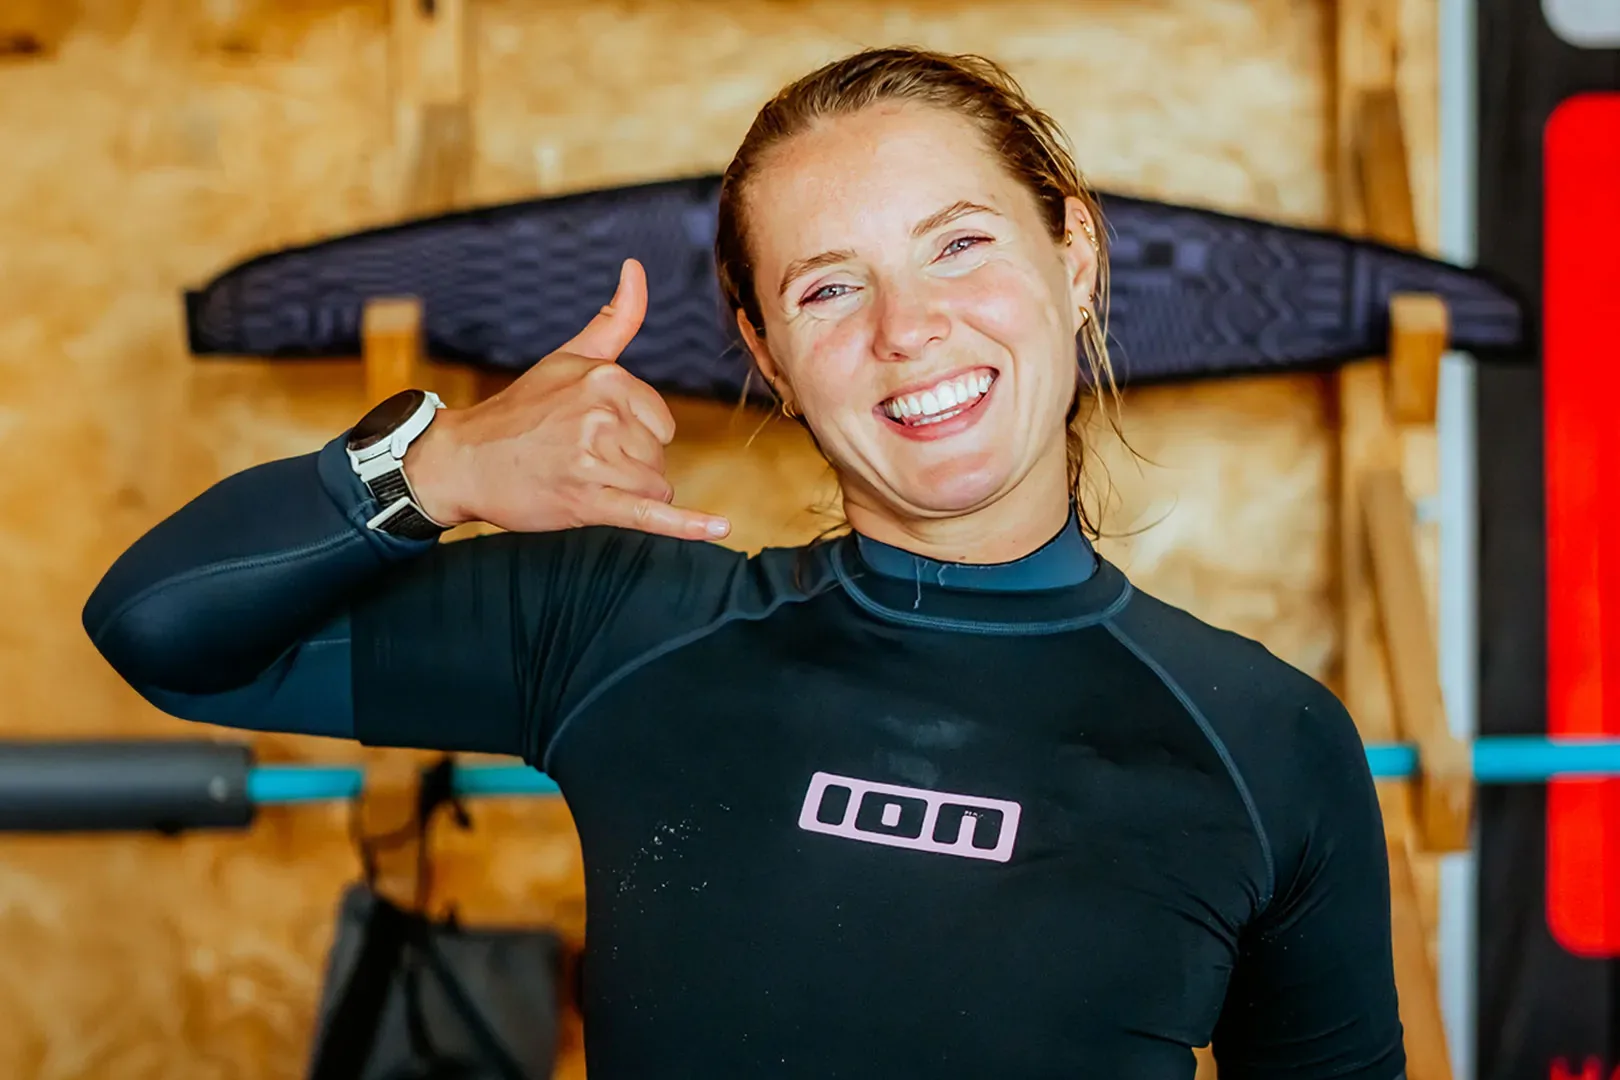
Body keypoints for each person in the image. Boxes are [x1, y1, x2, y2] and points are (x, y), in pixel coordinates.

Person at [84, 46, 1405, 1080]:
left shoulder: (1265, 743)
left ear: (1074, 257)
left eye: (960, 245)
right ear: (766, 354)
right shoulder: (624, 627)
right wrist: (432, 468)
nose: (910, 330)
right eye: (830, 288)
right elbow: (164, 627)